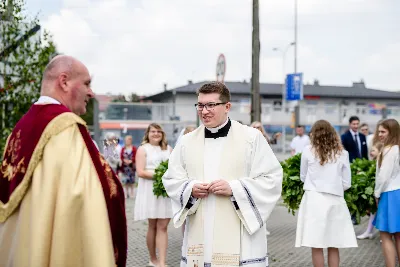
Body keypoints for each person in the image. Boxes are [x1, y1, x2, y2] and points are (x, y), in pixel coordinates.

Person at [0, 55, 127, 266]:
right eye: (86, 83)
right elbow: (85, 198)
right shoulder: (65, 128)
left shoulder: (21, 128)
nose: (91, 92)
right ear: (64, 81)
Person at [163, 82, 283, 267]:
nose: (204, 111)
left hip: (240, 232)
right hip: (200, 232)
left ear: (227, 106)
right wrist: (190, 188)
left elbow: (272, 179)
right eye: (200, 105)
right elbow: (171, 178)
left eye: (211, 105)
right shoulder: (186, 142)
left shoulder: (252, 138)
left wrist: (235, 188)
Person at [295, 120, 357, 267]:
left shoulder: (307, 151)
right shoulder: (343, 153)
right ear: (333, 133)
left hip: (313, 200)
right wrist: (334, 186)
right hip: (335, 200)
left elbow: (303, 176)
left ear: (313, 134)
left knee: (316, 244)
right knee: (333, 243)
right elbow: (347, 183)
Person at [134, 123, 173, 267]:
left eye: (159, 131)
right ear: (148, 134)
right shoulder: (143, 149)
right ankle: (153, 258)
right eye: (153, 131)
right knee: (153, 225)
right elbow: (140, 172)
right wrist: (161, 175)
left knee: (163, 226)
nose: (156, 134)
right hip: (150, 189)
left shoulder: (169, 149)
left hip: (165, 190)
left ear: (162, 134)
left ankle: (162, 262)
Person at [372, 119, 400, 267]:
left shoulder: (389, 150)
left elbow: (383, 176)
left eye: (383, 131)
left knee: (385, 235)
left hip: (389, 194)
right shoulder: (397, 148)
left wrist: (376, 194)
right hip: (398, 193)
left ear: (392, 132)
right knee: (398, 235)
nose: (380, 134)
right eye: (379, 131)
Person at [356, 141, 383, 239]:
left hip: (381, 192)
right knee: (373, 211)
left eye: (373, 150)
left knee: (378, 212)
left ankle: (383, 235)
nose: (371, 152)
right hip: (377, 191)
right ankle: (369, 231)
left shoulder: (380, 162)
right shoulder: (373, 162)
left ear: (380, 151)